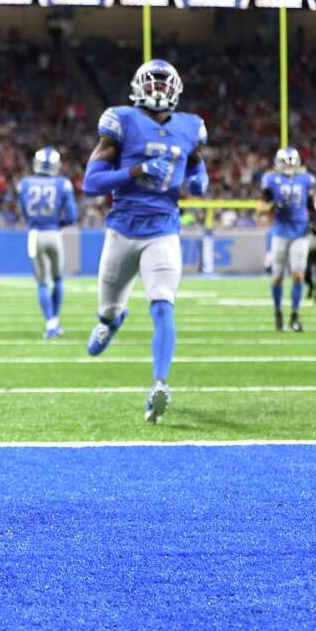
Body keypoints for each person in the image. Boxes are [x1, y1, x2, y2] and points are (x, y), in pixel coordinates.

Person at [81, 59, 209, 424]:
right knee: (107, 309)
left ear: (176, 89)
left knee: (163, 305)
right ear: (138, 87)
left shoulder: (190, 127)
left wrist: (201, 180)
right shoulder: (122, 121)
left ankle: (159, 385)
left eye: (164, 84)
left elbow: (197, 163)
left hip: (163, 229)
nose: (158, 90)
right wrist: (134, 171)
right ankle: (111, 321)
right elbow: (92, 183)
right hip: (122, 229)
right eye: (152, 83)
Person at [17, 147, 77, 338]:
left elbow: (24, 212)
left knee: (42, 283)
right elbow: (72, 215)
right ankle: (55, 321)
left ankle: (50, 323)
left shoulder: (25, 183)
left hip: (35, 234)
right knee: (58, 279)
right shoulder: (62, 183)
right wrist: (58, 223)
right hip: (54, 234)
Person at [259, 148, 316, 332]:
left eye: (292, 161)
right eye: (286, 161)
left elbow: (312, 204)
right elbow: (262, 205)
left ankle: (295, 315)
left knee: (298, 274)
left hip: (300, 231)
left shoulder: (306, 179)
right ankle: (278, 314)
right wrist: (272, 206)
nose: (289, 165)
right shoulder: (271, 180)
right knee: (277, 278)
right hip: (280, 232)